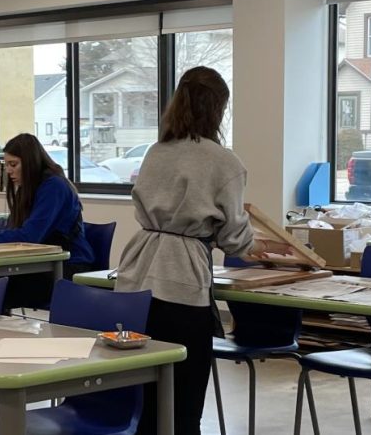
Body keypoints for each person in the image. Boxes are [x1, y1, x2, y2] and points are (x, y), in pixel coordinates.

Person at [116, 66, 290, 435]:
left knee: (145, 397)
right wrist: (257, 246)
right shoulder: (223, 161)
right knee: (185, 402)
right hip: (180, 280)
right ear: (218, 109)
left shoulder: (156, 151)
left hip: (136, 275)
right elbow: (233, 239)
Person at [0, 133, 95, 309]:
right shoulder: (28, 188)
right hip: (38, 264)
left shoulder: (54, 186)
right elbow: (16, 229)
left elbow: (30, 235)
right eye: (6, 165)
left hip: (68, 266)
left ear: (31, 163)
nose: (9, 170)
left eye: (14, 164)